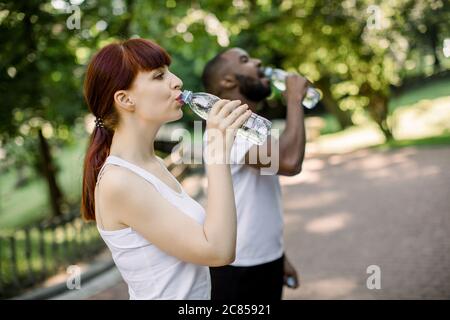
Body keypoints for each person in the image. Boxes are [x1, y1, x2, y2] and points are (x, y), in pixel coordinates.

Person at [80, 38, 251, 300]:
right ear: (125, 99)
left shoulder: (153, 164)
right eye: (159, 76)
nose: (177, 81)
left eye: (169, 71)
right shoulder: (119, 182)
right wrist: (217, 155)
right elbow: (219, 252)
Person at [201, 47, 308, 300]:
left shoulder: (247, 126)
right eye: (245, 59)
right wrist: (294, 99)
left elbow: (253, 203)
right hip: (238, 270)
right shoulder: (227, 130)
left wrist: (278, 257)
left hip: (264, 261)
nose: (259, 61)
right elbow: (290, 162)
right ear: (227, 81)